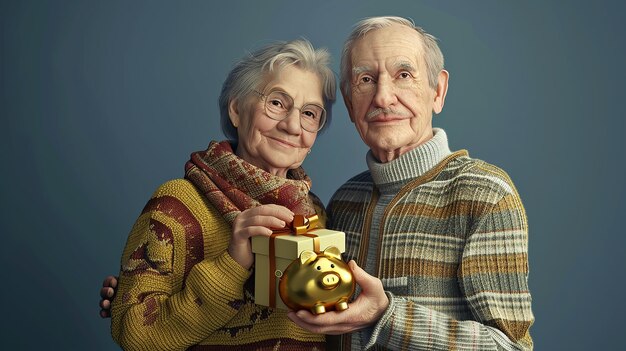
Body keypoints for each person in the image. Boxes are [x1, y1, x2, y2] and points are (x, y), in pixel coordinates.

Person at [102, 16, 534, 350]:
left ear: (437, 92)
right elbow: (141, 329)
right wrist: (138, 295)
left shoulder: (483, 194)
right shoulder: (342, 202)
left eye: (309, 112)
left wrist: (386, 315)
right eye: (366, 79)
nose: (383, 97)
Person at [105, 38, 336, 350]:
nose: (293, 125)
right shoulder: (178, 203)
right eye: (277, 103)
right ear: (237, 110)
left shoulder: (315, 212)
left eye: (310, 113)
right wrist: (232, 262)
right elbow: (136, 336)